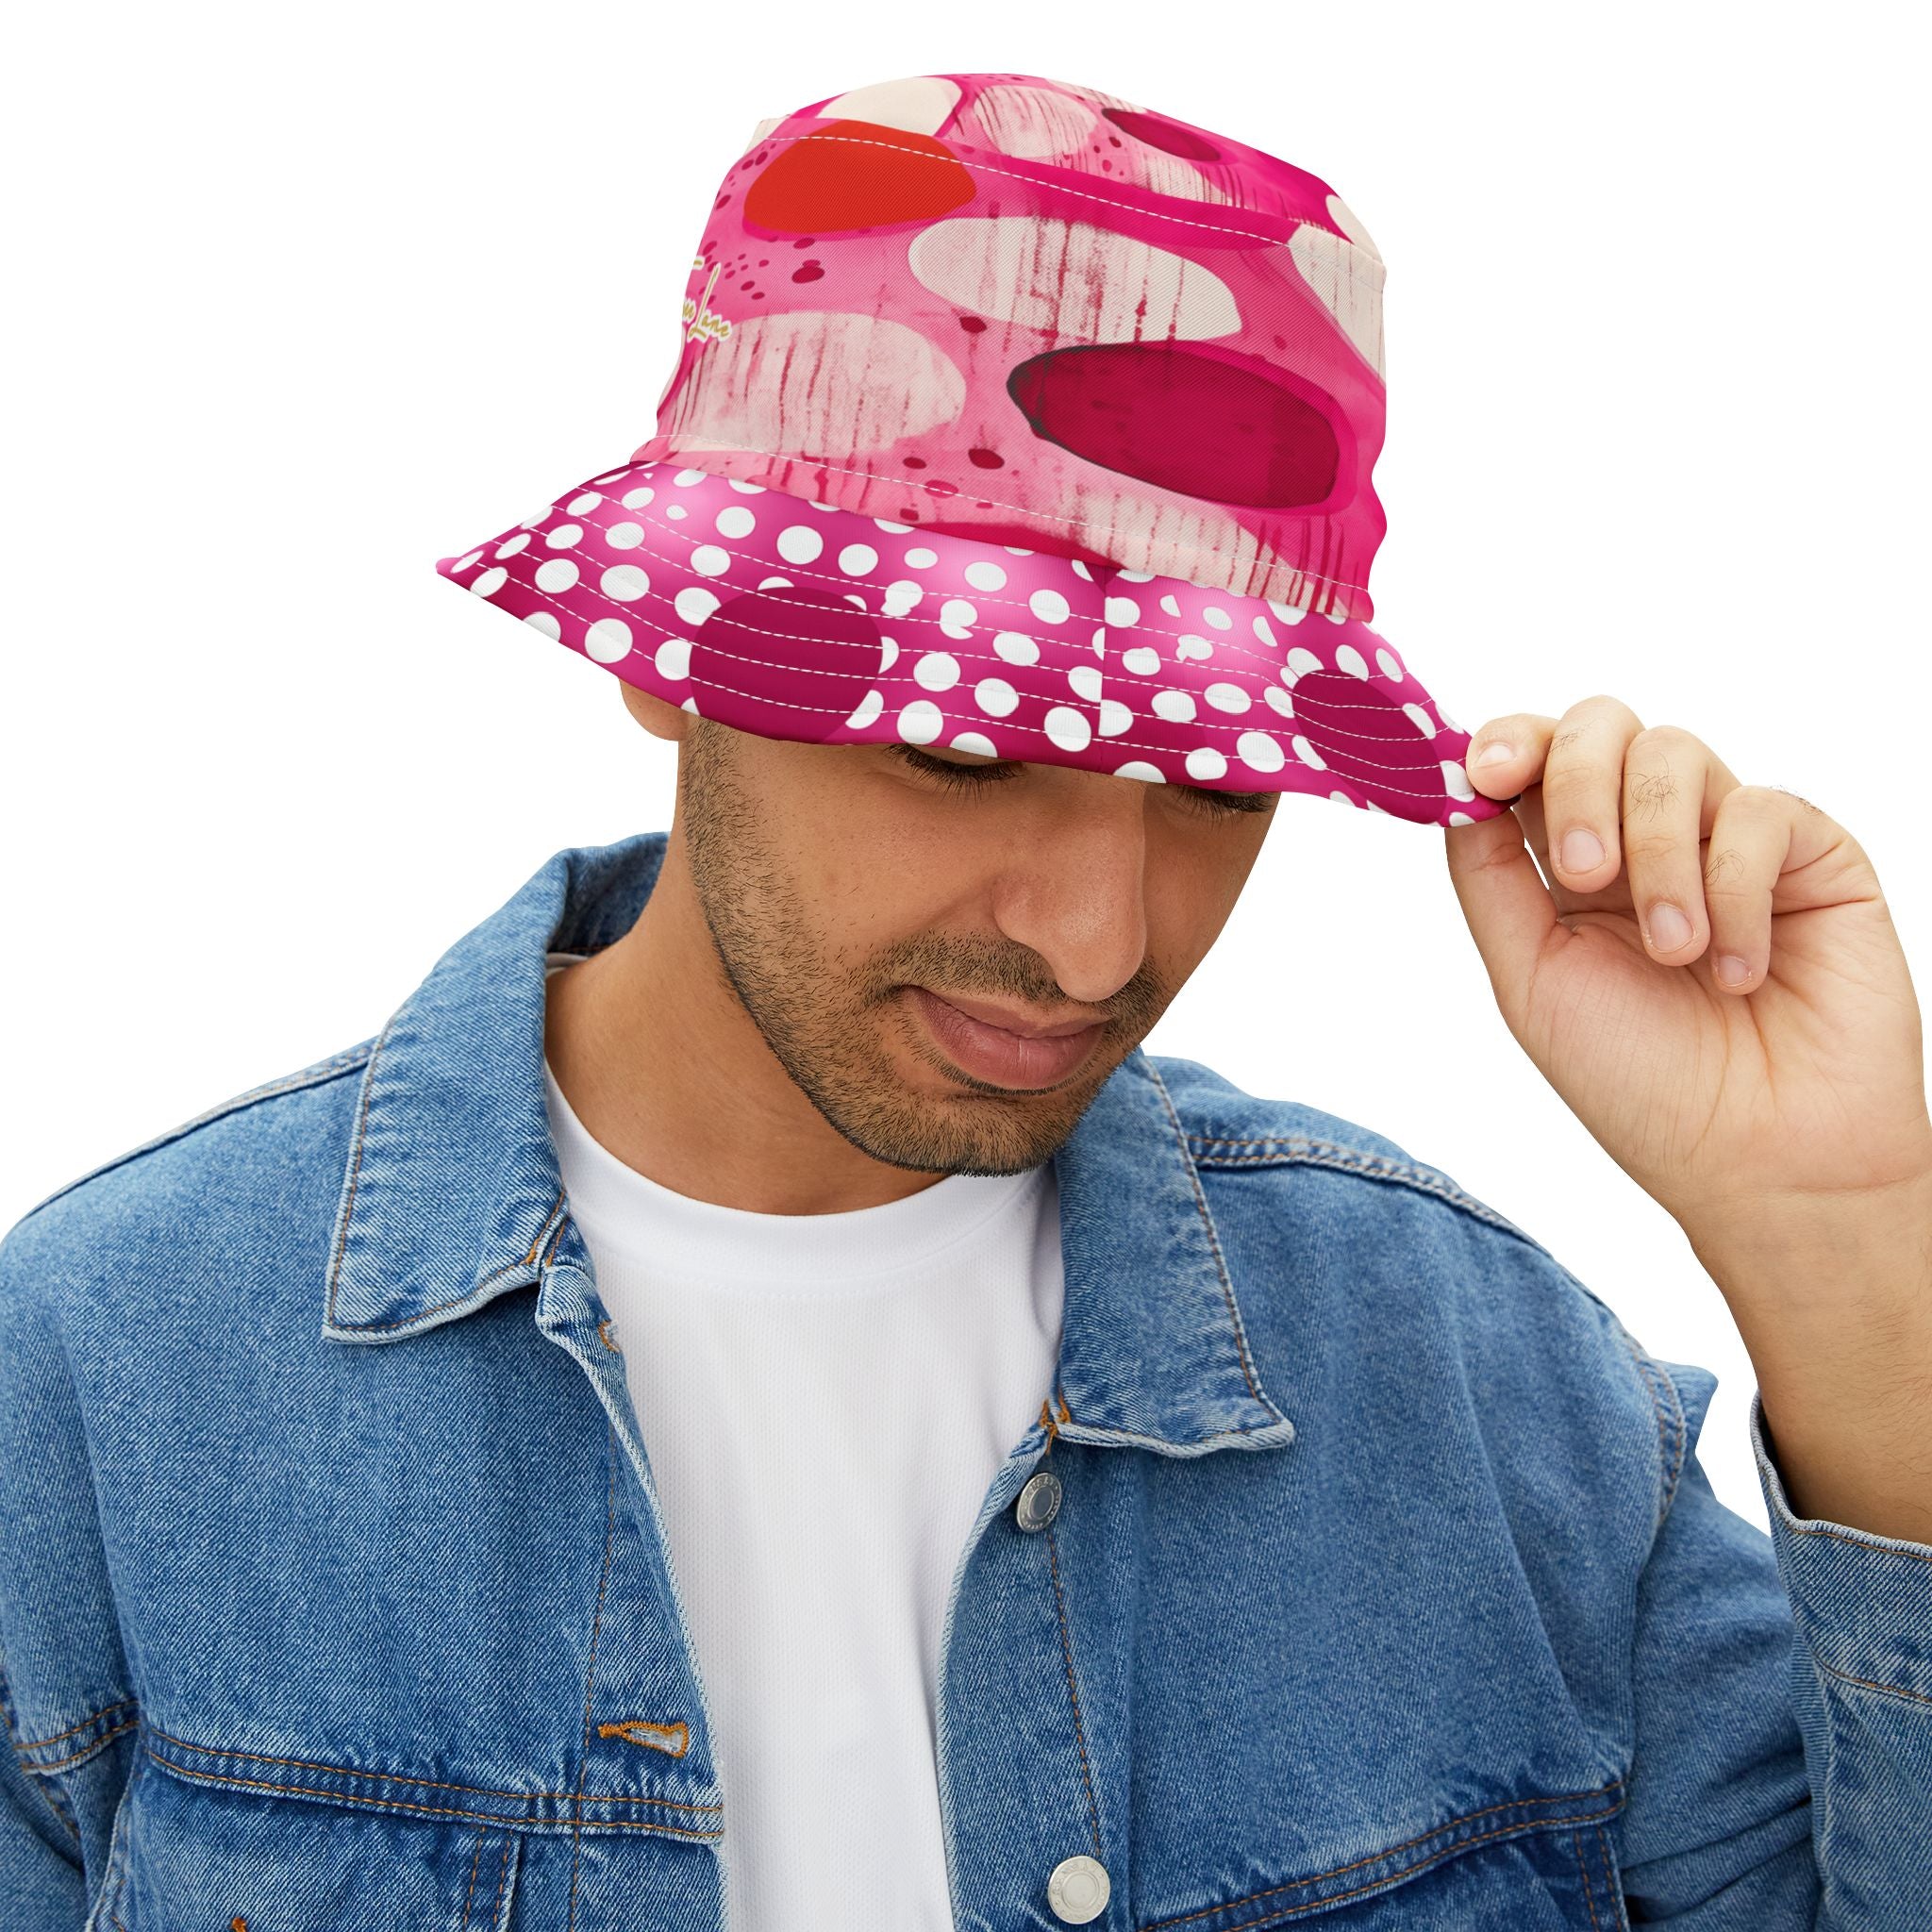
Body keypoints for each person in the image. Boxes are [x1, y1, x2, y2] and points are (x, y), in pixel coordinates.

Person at [3, 69, 1928, 1932]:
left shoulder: (1484, 1388)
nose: (1096, 943)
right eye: (963, 748)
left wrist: (1842, 1253)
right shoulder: (110, 1376)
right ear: (670, 655)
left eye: (1214, 782)